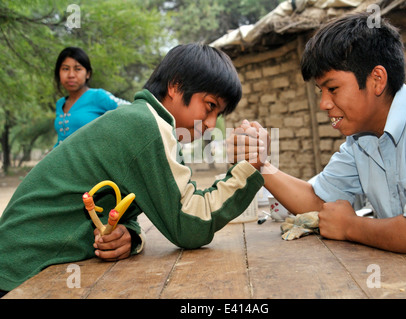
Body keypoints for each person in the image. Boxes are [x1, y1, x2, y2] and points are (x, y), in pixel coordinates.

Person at [0, 43, 264, 296]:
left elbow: (131, 201)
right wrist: (246, 169)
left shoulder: (148, 121)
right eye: (209, 106)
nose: (210, 123)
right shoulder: (146, 126)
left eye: (218, 114)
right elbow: (189, 223)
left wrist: (130, 235)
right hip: (22, 273)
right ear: (175, 86)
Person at [229, 12, 406, 264]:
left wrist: (350, 227)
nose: (323, 103)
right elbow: (318, 201)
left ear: (377, 79)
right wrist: (260, 164)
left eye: (332, 89)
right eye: (320, 91)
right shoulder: (362, 139)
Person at [54, 47, 129, 147]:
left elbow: (132, 110)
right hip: (62, 162)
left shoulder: (98, 96)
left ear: (88, 74)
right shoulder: (60, 103)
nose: (71, 75)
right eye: (65, 69)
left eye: (78, 69)